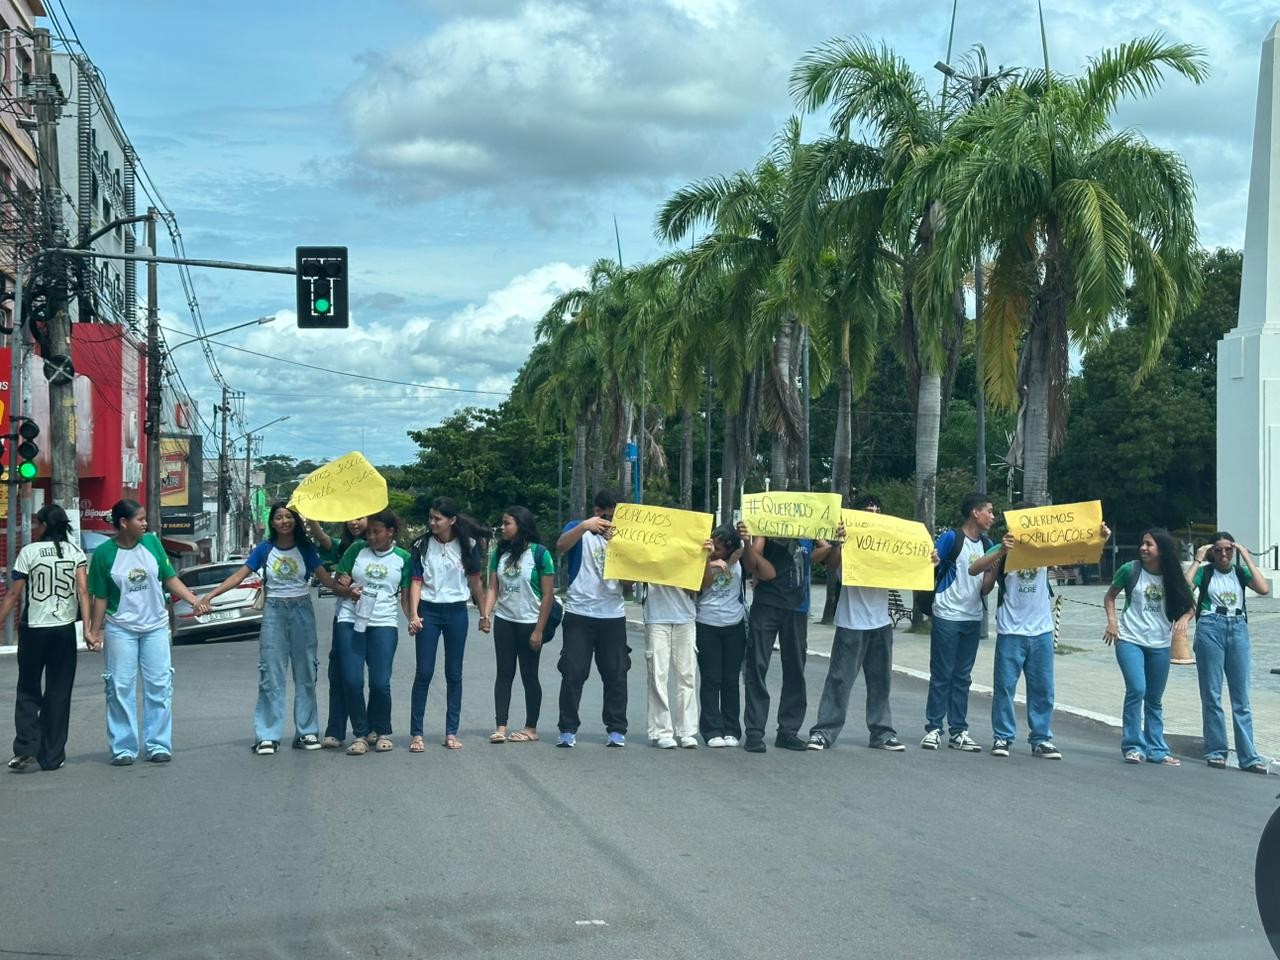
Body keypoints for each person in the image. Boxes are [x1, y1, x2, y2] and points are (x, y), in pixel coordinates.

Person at [202, 502, 347, 755]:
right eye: (279, 517)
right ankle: (267, 736)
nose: (284, 521)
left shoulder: (306, 548)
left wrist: (348, 589)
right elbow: (238, 576)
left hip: (302, 611)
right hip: (274, 612)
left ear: (296, 521)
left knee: (306, 673)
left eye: (288, 517)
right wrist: (210, 596)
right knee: (271, 675)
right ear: (272, 522)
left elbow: (326, 580)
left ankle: (307, 732)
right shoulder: (265, 549)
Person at [971, 507, 1110, 759]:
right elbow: (978, 576)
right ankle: (1002, 737)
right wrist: (1000, 553)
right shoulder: (1003, 547)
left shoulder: (1047, 548)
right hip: (1011, 630)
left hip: (1042, 630)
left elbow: (1079, 551)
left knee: (1043, 688)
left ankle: (1041, 738)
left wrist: (1100, 538)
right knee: (1004, 687)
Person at [88, 498, 209, 765]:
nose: (145, 524)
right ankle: (123, 748)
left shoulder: (152, 543)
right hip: (121, 629)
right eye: (140, 519)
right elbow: (101, 597)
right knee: (119, 687)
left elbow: (169, 578)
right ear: (123, 523)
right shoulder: (104, 554)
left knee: (160, 685)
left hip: (155, 627)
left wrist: (194, 601)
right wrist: (94, 632)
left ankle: (158, 744)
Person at [806, 495, 905, 753]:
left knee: (881, 682)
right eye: (868, 511)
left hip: (881, 622)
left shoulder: (888, 542)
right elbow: (832, 566)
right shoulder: (846, 540)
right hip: (852, 620)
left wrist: (928, 560)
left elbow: (909, 564)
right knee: (839, 679)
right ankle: (824, 731)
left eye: (877, 511)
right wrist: (838, 544)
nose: (873, 514)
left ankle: (882, 733)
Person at [4, 505, 91, 772]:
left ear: (43, 525)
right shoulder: (74, 552)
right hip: (63, 629)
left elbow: (14, 594)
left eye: (36, 523)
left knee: (28, 688)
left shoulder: (29, 552)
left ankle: (26, 748)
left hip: (34, 627)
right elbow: (83, 591)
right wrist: (88, 629)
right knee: (59, 691)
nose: (34, 527)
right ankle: (52, 756)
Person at [1103, 528, 1195, 766]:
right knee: (1137, 689)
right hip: (1130, 639)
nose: (1143, 548)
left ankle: (1157, 749)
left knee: (1154, 698)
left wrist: (1184, 619)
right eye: (1142, 543)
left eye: (1149, 544)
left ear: (1161, 550)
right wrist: (1112, 622)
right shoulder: (1130, 570)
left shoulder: (1172, 575)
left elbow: (1191, 605)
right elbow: (1110, 597)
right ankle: (1133, 746)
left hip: (1160, 644)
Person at [740, 522, 835, 753]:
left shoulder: (808, 528)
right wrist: (747, 542)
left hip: (797, 607)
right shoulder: (768, 524)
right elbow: (752, 564)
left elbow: (825, 553)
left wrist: (834, 540)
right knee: (757, 666)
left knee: (795, 669)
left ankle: (788, 731)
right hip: (767, 604)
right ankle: (754, 732)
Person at [1185, 532, 1270, 773]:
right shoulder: (1206, 572)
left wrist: (1246, 556)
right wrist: (1198, 559)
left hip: (1237, 627)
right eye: (1218, 550)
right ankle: (1216, 751)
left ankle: (1248, 756)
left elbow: (1263, 588)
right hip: (1211, 626)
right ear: (1212, 552)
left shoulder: (1239, 572)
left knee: (1241, 697)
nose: (1223, 554)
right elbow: (1185, 586)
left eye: (1228, 550)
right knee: (1212, 693)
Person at [407, 496, 487, 752]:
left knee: (454, 674)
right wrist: (414, 614)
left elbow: (475, 582)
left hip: (456, 612)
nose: (432, 523)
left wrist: (484, 613)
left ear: (452, 520)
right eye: (430, 517)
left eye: (437, 519)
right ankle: (416, 733)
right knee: (424, 672)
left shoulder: (468, 545)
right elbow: (416, 581)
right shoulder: (421, 545)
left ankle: (451, 732)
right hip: (428, 612)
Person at [334, 510, 412, 755]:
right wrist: (348, 590)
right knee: (352, 680)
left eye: (376, 532)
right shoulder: (356, 550)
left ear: (391, 532)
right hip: (350, 620)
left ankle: (381, 730)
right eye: (369, 532)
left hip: (383, 623)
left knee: (380, 683)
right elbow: (338, 584)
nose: (371, 537)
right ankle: (360, 734)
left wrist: (413, 618)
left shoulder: (403, 558)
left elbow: (407, 595)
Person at [921, 492, 995, 752]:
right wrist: (932, 561)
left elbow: (985, 588)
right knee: (942, 674)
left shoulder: (988, 544)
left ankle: (958, 731)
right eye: (989, 511)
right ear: (975, 512)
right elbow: (930, 565)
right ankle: (933, 729)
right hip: (947, 615)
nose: (993, 517)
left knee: (963, 677)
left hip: (972, 618)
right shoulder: (951, 538)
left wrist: (995, 566)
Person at [555, 489, 629, 748]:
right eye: (605, 517)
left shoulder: (624, 535)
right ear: (597, 512)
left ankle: (617, 728)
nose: (609, 522)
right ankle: (567, 728)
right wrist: (585, 526)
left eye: (614, 517)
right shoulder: (578, 528)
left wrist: (619, 544)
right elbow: (561, 546)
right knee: (573, 672)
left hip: (613, 614)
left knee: (616, 673)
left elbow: (629, 583)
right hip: (579, 612)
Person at [480, 506, 555, 744]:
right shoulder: (499, 553)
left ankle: (531, 728)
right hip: (505, 620)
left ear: (520, 525)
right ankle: (500, 726)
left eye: (507, 523)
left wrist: (539, 630)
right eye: (502, 523)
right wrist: (485, 614)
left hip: (530, 622)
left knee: (529, 675)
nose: (502, 527)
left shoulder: (540, 554)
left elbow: (547, 595)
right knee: (504, 673)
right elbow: (493, 587)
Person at [307, 516, 368, 749]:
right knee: (340, 674)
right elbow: (322, 538)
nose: (354, 523)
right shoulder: (342, 547)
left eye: (360, 518)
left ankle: (374, 727)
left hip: (377, 619)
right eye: (350, 519)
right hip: (344, 616)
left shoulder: (381, 546)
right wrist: (311, 518)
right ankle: (335, 729)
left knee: (378, 678)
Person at [695, 525, 747, 748]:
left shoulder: (738, 559)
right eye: (713, 545)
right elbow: (700, 583)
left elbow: (744, 548)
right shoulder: (702, 558)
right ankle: (711, 729)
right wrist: (709, 560)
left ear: (730, 549)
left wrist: (743, 540)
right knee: (711, 679)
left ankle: (731, 728)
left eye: (719, 548)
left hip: (734, 625)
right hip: (707, 624)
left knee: (730, 680)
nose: (715, 550)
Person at [643, 579, 701, 750]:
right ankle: (661, 732)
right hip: (656, 616)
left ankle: (686, 731)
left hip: (685, 615)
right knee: (657, 676)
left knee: (687, 676)